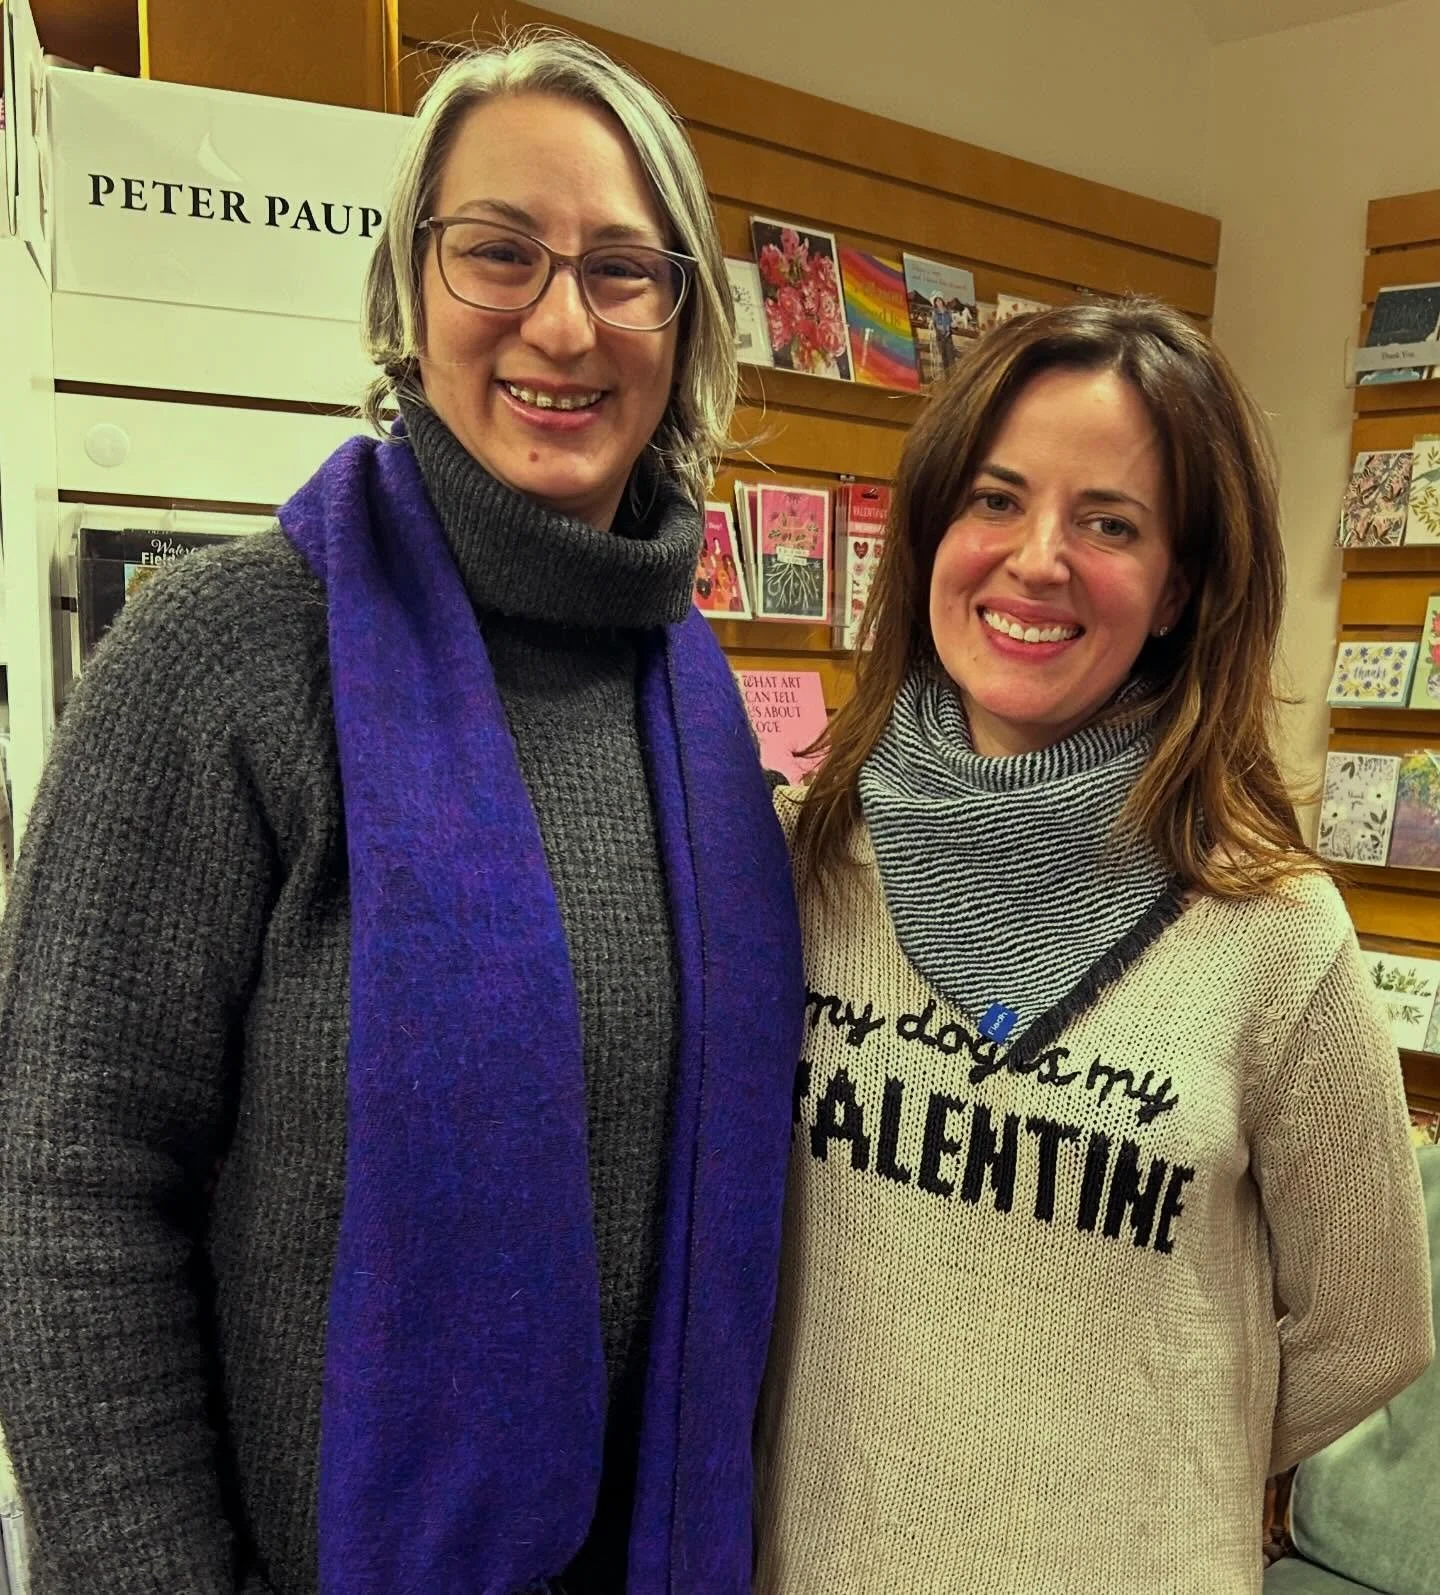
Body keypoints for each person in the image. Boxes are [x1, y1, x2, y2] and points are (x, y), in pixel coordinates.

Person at [0, 29, 802, 1595]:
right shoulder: (228, 656)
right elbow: (68, 1186)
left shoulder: (698, 705)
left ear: (683, 320)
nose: (562, 322)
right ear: (407, 291)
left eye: (624, 269)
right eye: (499, 250)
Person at [753, 298, 1433, 1594]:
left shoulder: (1273, 929)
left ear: (1181, 583)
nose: (1037, 558)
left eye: (1109, 523)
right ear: (933, 530)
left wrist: (1131, 1447)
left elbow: (1370, 1329)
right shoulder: (798, 860)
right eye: (995, 500)